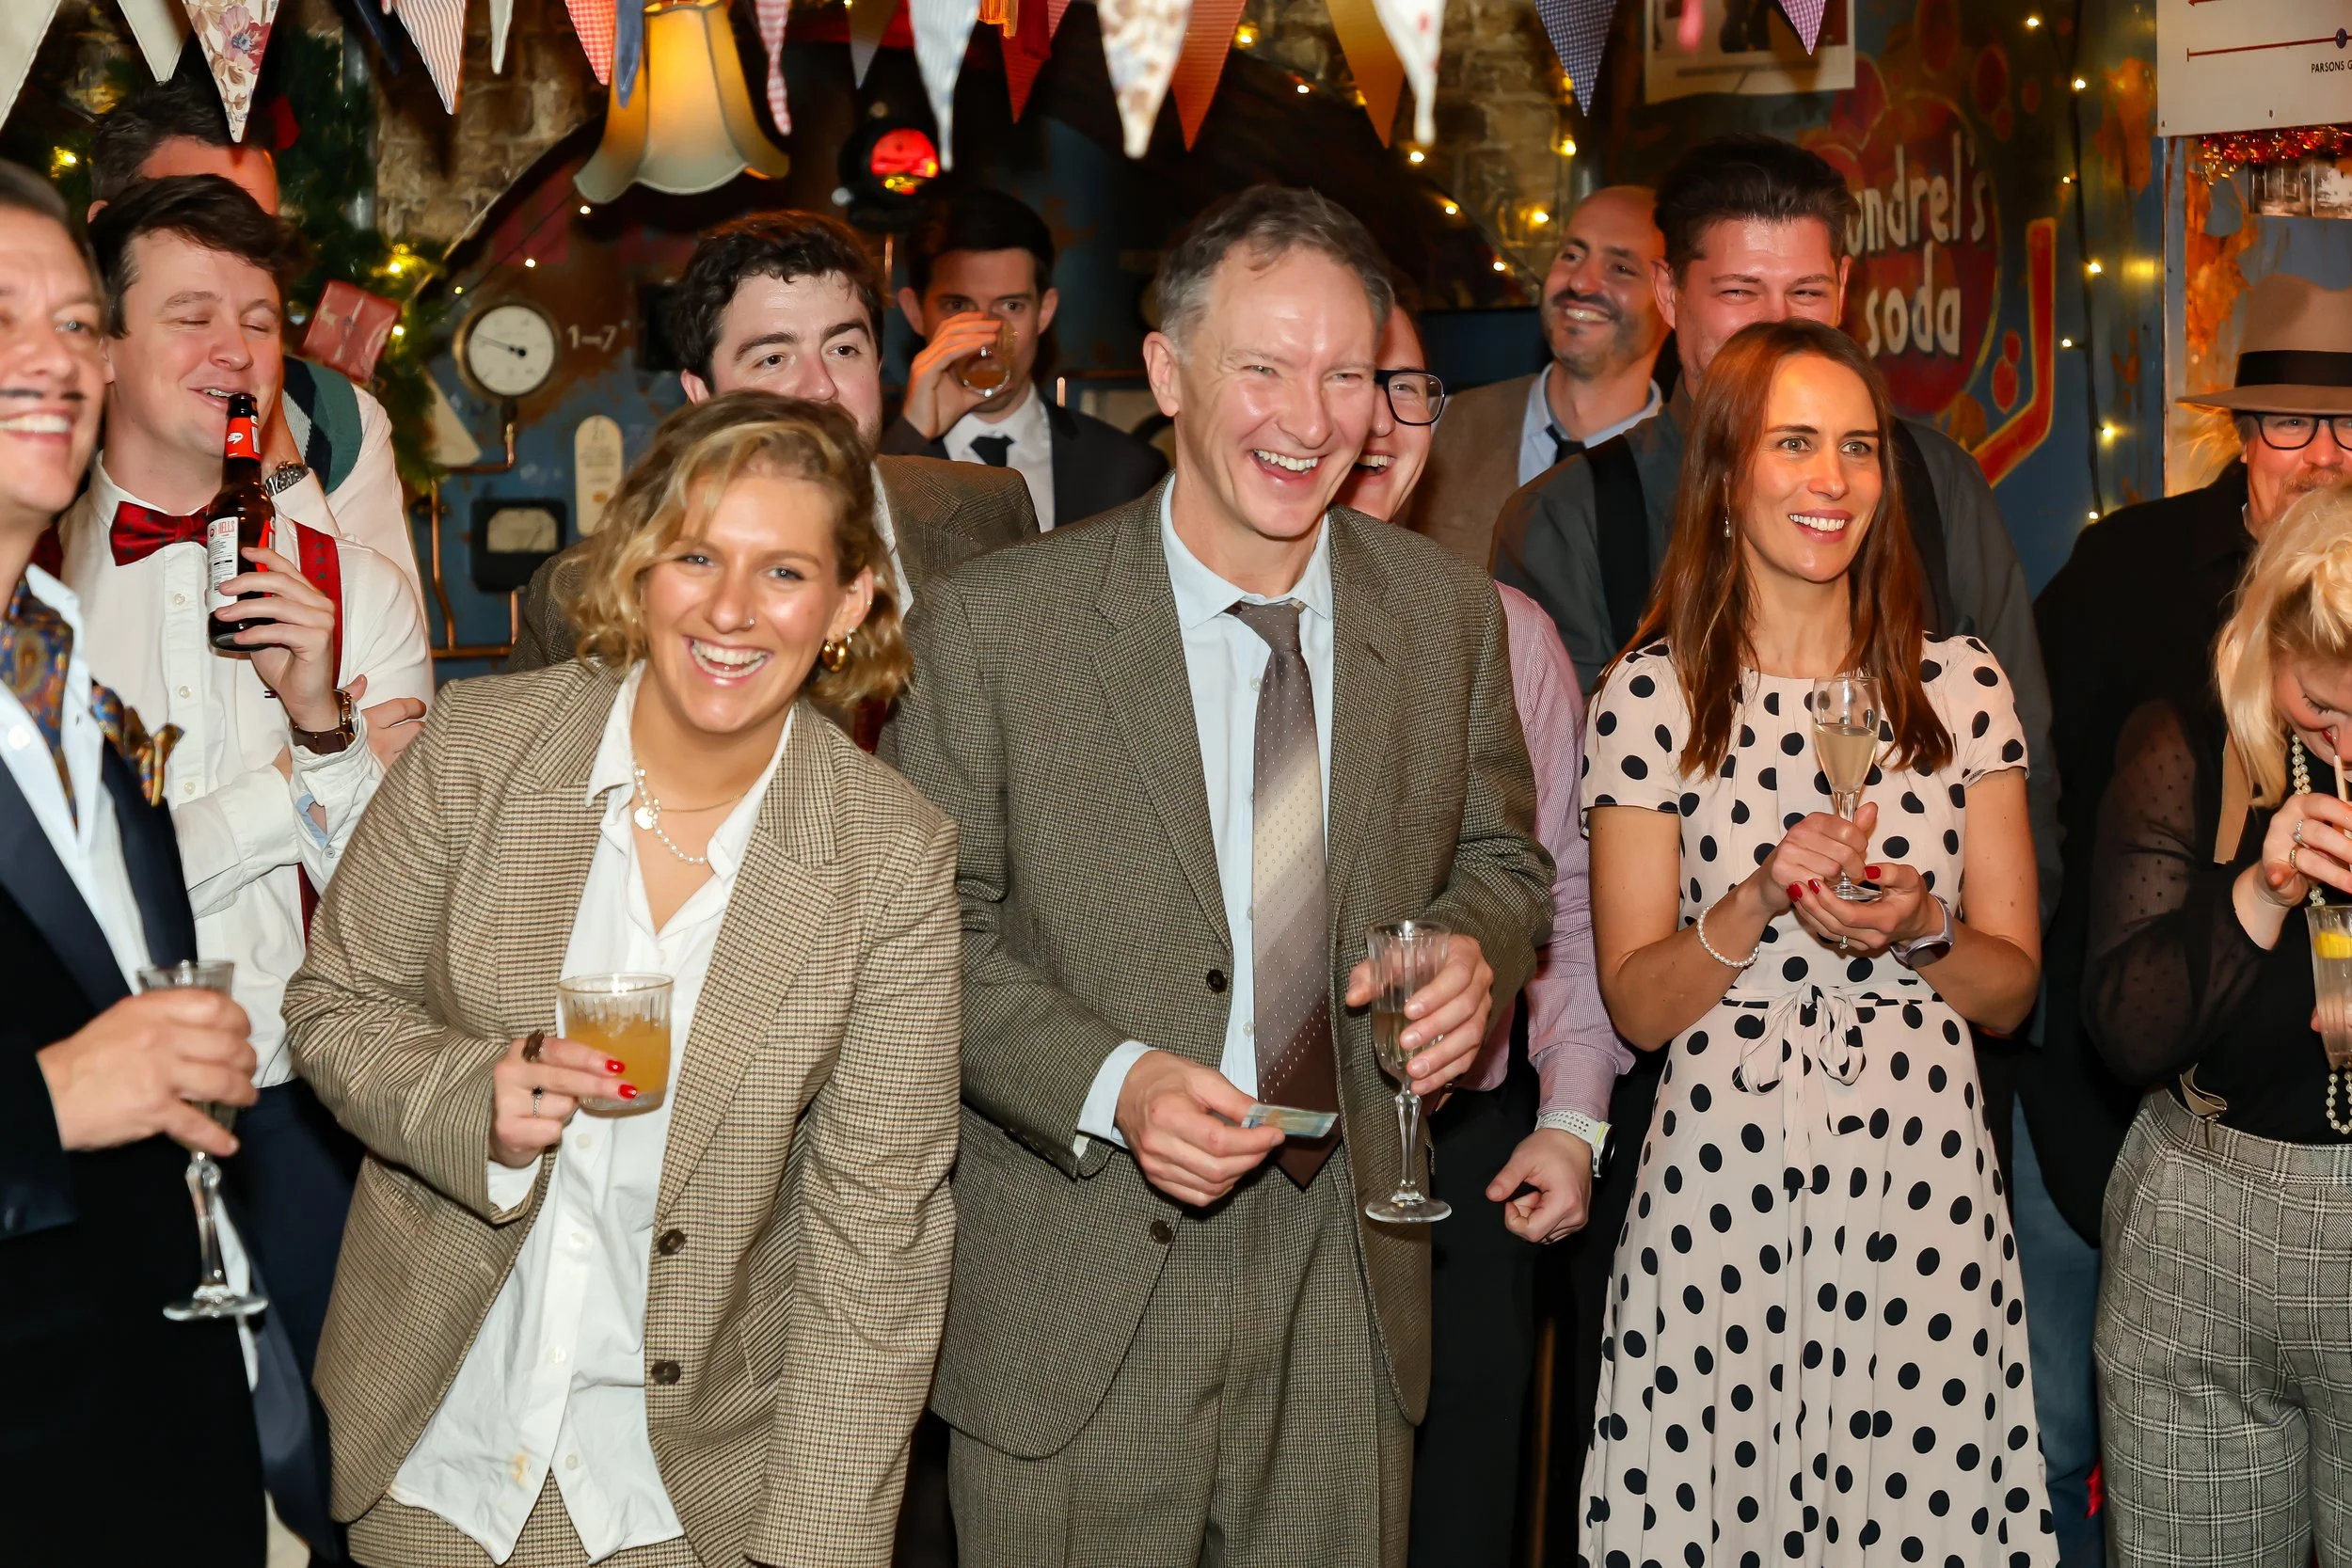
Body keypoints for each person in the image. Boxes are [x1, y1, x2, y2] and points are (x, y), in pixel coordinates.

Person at [884, 185, 1551, 1567]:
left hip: (1347, 1283)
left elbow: (1502, 860)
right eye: (1263, 367)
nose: (1309, 420)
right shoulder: (1000, 628)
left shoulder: (1445, 619)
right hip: (1082, 1283)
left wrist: (1477, 957)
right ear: (1171, 372)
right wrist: (1110, 1079)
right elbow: (921, 934)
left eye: (1347, 376)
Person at [1494, 136, 2062, 1555]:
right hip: (1719, 1190)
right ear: (1727, 473)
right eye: (1793, 445)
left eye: (1857, 445)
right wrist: (1756, 894)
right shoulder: (1650, 693)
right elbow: (1634, 997)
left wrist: (1922, 925)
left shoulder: (1962, 683)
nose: (1833, 478)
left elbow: (2010, 984)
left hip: (1925, 1184)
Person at [283, 391, 960, 1568]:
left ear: (849, 601)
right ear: (640, 562)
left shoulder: (888, 856)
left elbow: (876, 1241)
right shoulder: (479, 748)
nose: (732, 610)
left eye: (786, 571)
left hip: (685, 1499)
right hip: (438, 1452)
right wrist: (469, 1094)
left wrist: (812, 1549)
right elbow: (333, 1005)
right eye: (696, 554)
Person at [58, 172, 430, 1435]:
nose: (237, 348)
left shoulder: (364, 588)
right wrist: (294, 786)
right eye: (192, 313)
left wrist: (322, 714)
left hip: (312, 1116)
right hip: (93, 1106)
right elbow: (73, 890)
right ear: (101, 345)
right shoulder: (31, 582)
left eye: (263, 319)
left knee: (342, 1474)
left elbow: (409, 894)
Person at [2030, 271, 2352, 1564]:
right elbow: (2071, 896)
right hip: (2188, 1179)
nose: (2326, 450)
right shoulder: (2135, 585)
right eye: (2290, 421)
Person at [0, 158, 267, 1566]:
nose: (51, 358)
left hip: (152, 1419)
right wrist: (47, 1096)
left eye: (74, 325)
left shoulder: (67, 678)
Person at [1338, 306, 1628, 1568]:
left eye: (1398, 385)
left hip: (1458, 1155)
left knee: (1457, 1509)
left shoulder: (1509, 634)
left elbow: (1568, 892)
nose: (1362, 418)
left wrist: (1570, 1118)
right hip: (1235, 1145)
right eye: (1329, 376)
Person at [2085, 484, 2352, 1565]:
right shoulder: (2184, 747)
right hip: (2201, 1219)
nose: (2347, 736)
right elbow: (2124, 1032)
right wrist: (2261, 887)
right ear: (2260, 646)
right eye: (2321, 706)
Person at [509, 209, 1035, 678]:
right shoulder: (578, 592)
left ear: (877, 365)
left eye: (844, 348)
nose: (820, 386)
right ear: (702, 396)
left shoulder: (989, 508)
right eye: (773, 359)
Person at [88, 61, 418, 600]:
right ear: (106, 231)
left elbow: (383, 659)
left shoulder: (337, 422)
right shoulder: (31, 412)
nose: (235, 257)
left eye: (255, 231)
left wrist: (269, 440)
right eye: (197, 218)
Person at [1399, 186, 1668, 569]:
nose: (1580, 283)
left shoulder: (1697, 475)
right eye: (1571, 255)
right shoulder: (1440, 425)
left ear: (1672, 299)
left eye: (1621, 268)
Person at [880, 187, 1168, 529]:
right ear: (915, 312)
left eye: (1011, 306)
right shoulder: (874, 457)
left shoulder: (1126, 468)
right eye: (958, 306)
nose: (987, 332)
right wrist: (911, 434)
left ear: (1044, 312)